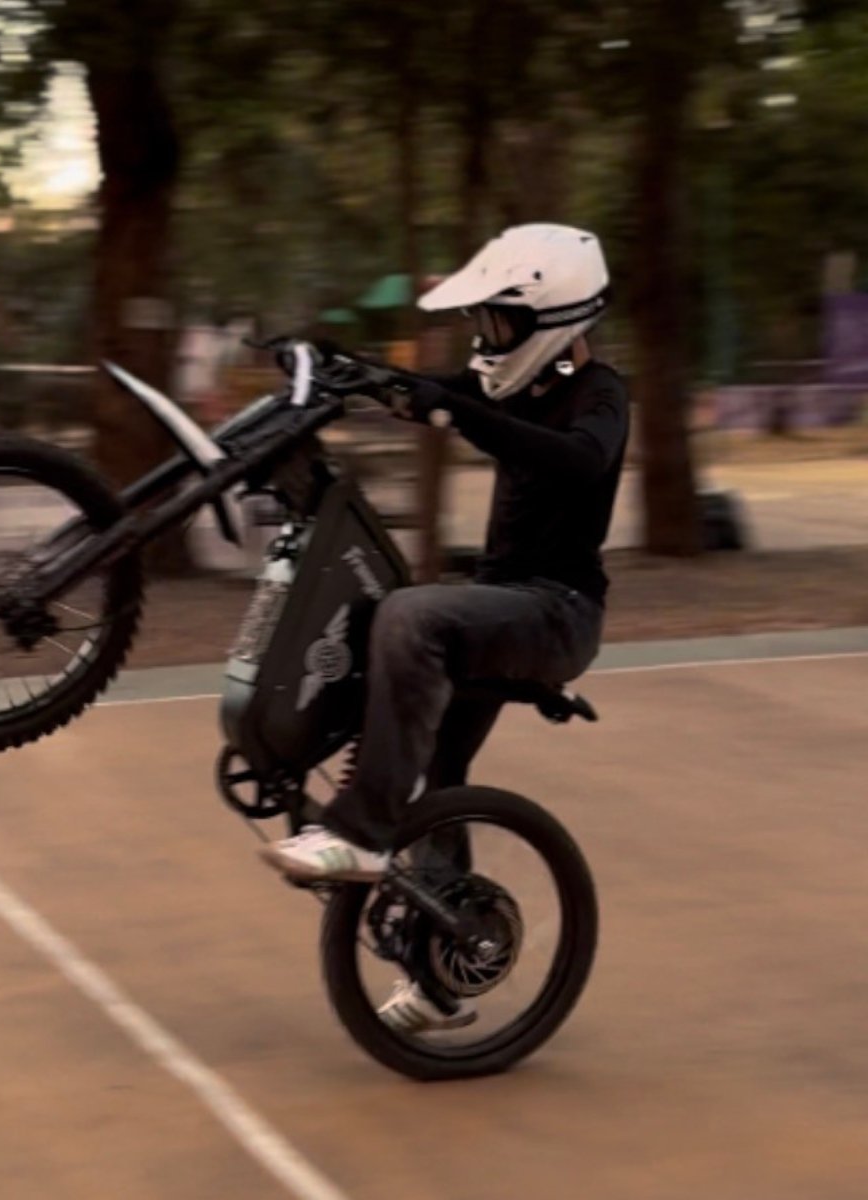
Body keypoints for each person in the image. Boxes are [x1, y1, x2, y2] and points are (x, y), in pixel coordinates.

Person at [259, 222, 630, 1031]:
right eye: (481, 323)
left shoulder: (600, 394)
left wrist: (454, 410)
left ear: (554, 320)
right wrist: (340, 367)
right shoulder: (509, 385)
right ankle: (439, 973)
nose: (485, 339)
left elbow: (578, 459)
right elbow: (428, 388)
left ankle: (361, 829)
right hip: (503, 603)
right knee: (440, 767)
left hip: (558, 611)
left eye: (499, 322)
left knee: (411, 613)